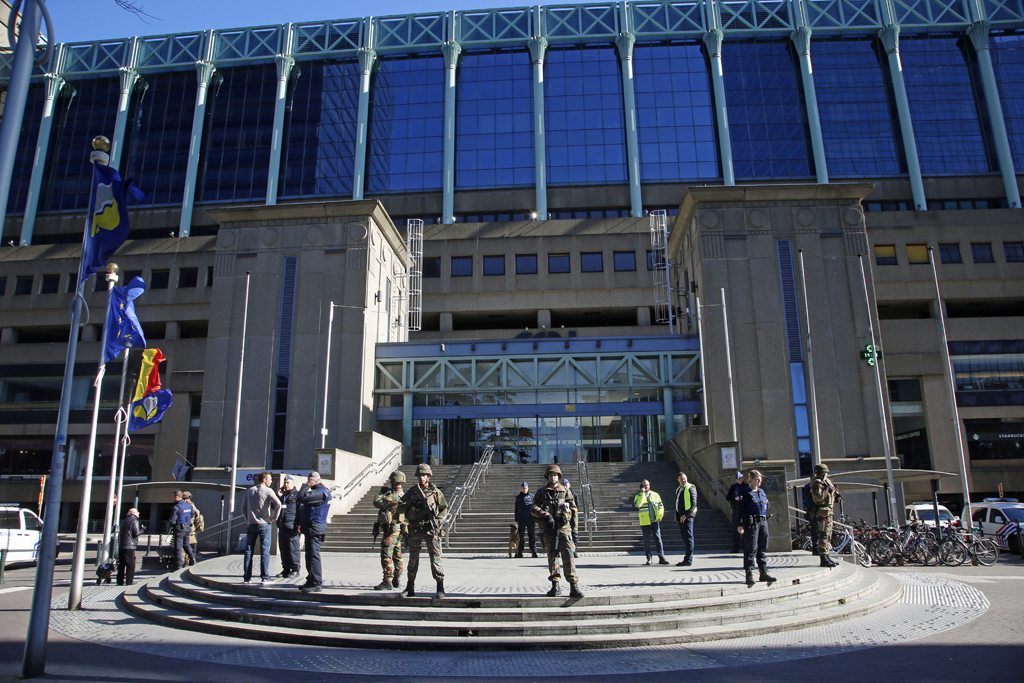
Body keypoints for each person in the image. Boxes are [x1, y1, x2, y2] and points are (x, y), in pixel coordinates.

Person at [532, 464, 583, 598]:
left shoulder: (566, 491)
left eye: (555, 475)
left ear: (559, 477)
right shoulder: (542, 492)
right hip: (549, 530)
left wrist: (575, 530)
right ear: (547, 476)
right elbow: (533, 508)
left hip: (564, 529)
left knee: (569, 557)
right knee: (552, 557)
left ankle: (573, 586)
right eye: (551, 475)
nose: (553, 477)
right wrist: (545, 515)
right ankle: (555, 585)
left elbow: (574, 510)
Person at [397, 463, 447, 599]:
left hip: (430, 528)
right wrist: (410, 504)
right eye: (420, 475)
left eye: (424, 475)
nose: (422, 478)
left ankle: (440, 587)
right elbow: (400, 508)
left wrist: (438, 520)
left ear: (429, 476)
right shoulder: (412, 492)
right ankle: (410, 586)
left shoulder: (436, 492)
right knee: (413, 559)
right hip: (415, 528)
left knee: (435, 558)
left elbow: (444, 509)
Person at [241, 471, 282, 585]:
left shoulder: (250, 491)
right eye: (270, 479)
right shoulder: (268, 490)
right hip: (264, 523)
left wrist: (248, 519)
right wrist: (274, 517)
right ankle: (265, 577)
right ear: (264, 480)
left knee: (249, 550)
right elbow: (278, 504)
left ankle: (247, 577)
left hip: (252, 524)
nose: (271, 481)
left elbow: (243, 508)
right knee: (265, 550)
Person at [737, 469, 776, 587]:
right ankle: (749, 574)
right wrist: (740, 524)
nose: (759, 481)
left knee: (762, 548)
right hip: (751, 524)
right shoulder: (745, 492)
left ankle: (763, 572)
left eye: (760, 479)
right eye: (757, 479)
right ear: (751, 480)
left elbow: (766, 505)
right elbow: (740, 509)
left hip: (763, 522)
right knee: (750, 549)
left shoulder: (762, 492)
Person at [296, 471, 332, 593]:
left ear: (313, 480)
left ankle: (316, 582)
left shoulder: (319, 493)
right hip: (315, 527)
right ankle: (311, 579)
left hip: (315, 527)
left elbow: (300, 498)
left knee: (313, 555)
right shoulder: (324, 491)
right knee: (310, 555)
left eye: (310, 480)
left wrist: (306, 486)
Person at [373, 470, 406, 590]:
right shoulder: (401, 494)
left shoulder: (393, 496)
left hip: (392, 529)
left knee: (386, 553)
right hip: (397, 529)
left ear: (393, 481)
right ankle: (397, 578)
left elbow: (377, 502)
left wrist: (381, 494)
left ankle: (387, 580)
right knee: (397, 554)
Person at [810, 463, 840, 568]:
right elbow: (818, 498)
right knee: (823, 535)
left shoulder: (825, 482)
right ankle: (823, 558)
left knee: (827, 535)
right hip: (823, 513)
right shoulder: (817, 483)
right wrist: (828, 492)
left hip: (828, 512)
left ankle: (826, 555)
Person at [634, 479, 668, 565]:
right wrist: (642, 494)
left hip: (655, 520)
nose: (646, 487)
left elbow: (661, 506)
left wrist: (660, 516)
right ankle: (649, 558)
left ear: (650, 485)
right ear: (641, 487)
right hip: (645, 522)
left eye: (647, 485)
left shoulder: (655, 495)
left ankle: (661, 557)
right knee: (646, 541)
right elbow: (638, 505)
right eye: (644, 485)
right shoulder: (638, 496)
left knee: (658, 539)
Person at [277, 475, 300, 578]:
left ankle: (295, 569)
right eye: (285, 483)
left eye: (288, 483)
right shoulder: (284, 496)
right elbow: (275, 507)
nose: (286, 485)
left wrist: (299, 524)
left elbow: (301, 509)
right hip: (282, 526)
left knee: (293, 549)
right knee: (284, 549)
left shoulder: (297, 495)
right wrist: (279, 497)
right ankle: (286, 568)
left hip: (292, 526)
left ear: (293, 484)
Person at [674, 472, 698, 566]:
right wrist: (677, 516)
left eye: (684, 478)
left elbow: (694, 504)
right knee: (685, 537)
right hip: (681, 516)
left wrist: (686, 515)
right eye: (681, 479)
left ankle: (688, 559)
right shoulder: (678, 490)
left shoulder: (691, 488)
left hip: (688, 516)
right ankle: (687, 557)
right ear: (678, 480)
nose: (683, 480)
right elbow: (677, 504)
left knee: (688, 537)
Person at [169, 490, 195, 570]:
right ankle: (193, 558)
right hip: (187, 528)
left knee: (178, 547)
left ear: (176, 497)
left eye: (173, 497)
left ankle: (177, 566)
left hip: (179, 529)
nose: (172, 498)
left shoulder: (176, 507)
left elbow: (172, 521)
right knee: (186, 544)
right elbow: (192, 514)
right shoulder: (189, 506)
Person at [725, 472, 748, 554]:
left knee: (745, 527)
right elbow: (728, 497)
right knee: (735, 528)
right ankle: (735, 547)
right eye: (738, 479)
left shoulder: (746, 486)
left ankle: (746, 546)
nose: (739, 480)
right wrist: (734, 498)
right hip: (736, 509)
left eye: (741, 478)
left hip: (744, 509)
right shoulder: (734, 487)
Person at [117, 508, 140, 586]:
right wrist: (143, 530)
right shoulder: (134, 521)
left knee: (121, 564)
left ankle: (119, 581)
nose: (138, 514)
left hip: (122, 545)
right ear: (133, 513)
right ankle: (129, 582)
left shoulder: (123, 521)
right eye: (137, 512)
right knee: (130, 564)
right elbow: (135, 534)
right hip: (130, 546)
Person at [513, 481, 537, 558]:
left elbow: (535, 508)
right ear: (521, 489)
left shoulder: (532, 496)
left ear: (528, 488)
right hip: (521, 518)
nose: (524, 489)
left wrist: (536, 519)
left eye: (526, 488)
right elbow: (516, 509)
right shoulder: (518, 497)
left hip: (531, 518)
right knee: (521, 536)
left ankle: (534, 551)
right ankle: (520, 551)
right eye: (523, 488)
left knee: (532, 535)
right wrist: (516, 520)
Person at [182, 491, 203, 566]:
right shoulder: (192, 505)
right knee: (186, 545)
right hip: (190, 528)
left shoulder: (188, 506)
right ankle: (189, 560)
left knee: (185, 545)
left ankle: (187, 560)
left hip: (187, 528)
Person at [562, 479, 581, 558]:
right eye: (564, 486)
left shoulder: (573, 494)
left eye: (566, 485)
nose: (565, 487)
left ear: (569, 485)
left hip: (572, 516)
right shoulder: (560, 494)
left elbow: (577, 506)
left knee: (574, 534)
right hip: (564, 517)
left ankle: (574, 551)